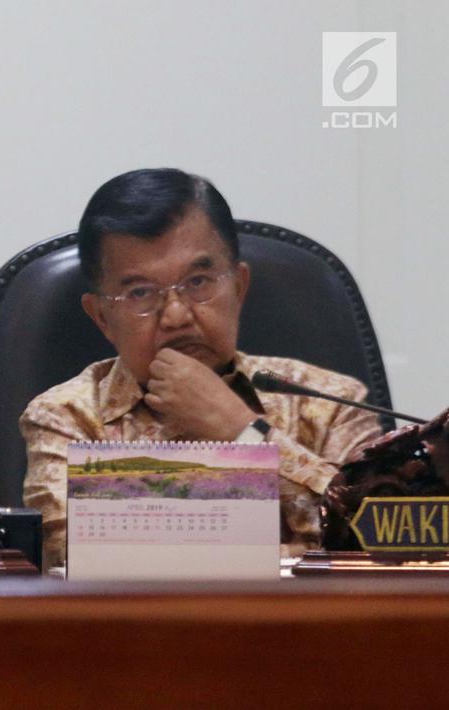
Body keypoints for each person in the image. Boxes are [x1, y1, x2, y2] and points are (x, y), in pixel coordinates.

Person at [19, 168, 383, 572]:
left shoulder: (331, 403)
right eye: (140, 292)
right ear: (102, 316)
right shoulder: (65, 419)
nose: (176, 315)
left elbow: (372, 541)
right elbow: (73, 561)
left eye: (198, 281)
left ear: (239, 287)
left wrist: (243, 431)